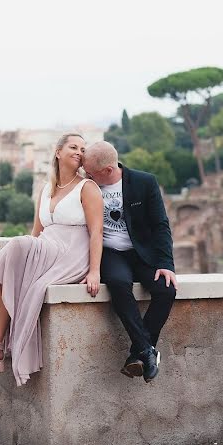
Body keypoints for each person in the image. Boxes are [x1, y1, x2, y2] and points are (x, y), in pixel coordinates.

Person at [0, 133, 103, 386]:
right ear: (58, 152)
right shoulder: (46, 189)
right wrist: (23, 257)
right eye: (73, 146)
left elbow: (97, 231)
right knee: (10, 271)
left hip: (71, 253)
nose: (79, 151)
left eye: (83, 148)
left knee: (16, 244)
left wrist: (94, 271)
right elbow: (36, 232)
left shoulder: (87, 188)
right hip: (47, 247)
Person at [82, 141, 177, 383]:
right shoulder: (87, 187)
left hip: (143, 253)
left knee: (166, 290)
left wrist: (166, 263)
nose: (86, 176)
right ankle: (147, 351)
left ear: (108, 171)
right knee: (118, 283)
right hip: (110, 253)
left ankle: (139, 353)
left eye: (90, 173)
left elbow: (160, 225)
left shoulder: (144, 182)